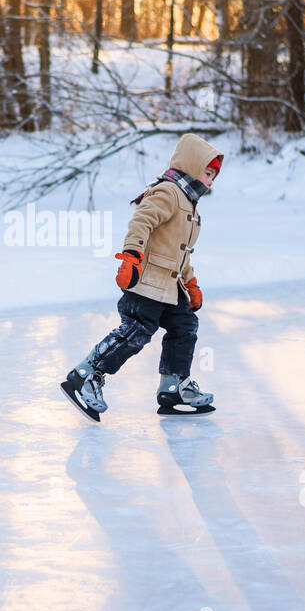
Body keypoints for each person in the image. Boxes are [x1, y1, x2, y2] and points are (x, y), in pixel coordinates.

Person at [61, 132, 223, 420]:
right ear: (193, 166)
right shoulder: (168, 192)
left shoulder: (190, 204)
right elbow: (141, 221)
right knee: (136, 331)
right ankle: (85, 374)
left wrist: (191, 282)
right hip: (146, 284)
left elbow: (180, 252)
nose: (211, 181)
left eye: (214, 176)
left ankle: (173, 387)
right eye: (208, 173)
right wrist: (131, 256)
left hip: (170, 288)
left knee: (185, 326)